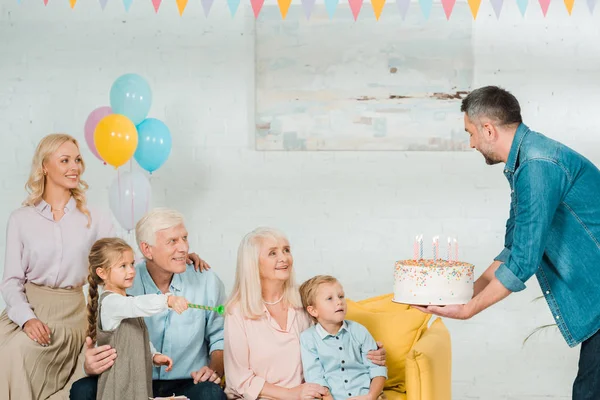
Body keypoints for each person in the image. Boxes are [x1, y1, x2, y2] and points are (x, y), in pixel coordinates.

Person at [412, 86, 600, 400]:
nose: (471, 143)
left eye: (470, 133)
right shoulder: (526, 163)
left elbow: (524, 261)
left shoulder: (537, 165)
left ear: (488, 129)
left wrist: (470, 308)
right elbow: (514, 247)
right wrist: (463, 293)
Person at [0, 133, 113, 399]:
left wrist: (175, 257)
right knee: (9, 353)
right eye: (64, 160)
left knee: (15, 354)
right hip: (25, 314)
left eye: (77, 160)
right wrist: (27, 318)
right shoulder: (20, 219)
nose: (74, 167)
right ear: (44, 167)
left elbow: (121, 260)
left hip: (71, 319)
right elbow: (11, 281)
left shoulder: (96, 218)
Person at [71, 208, 227, 400]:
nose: (184, 248)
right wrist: (91, 365)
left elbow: (220, 337)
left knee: (211, 394)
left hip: (188, 382)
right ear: (147, 249)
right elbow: (116, 334)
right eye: (172, 241)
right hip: (131, 382)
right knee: (82, 390)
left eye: (184, 238)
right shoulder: (123, 283)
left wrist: (213, 370)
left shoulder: (207, 281)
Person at [224, 227, 386, 400]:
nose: (284, 258)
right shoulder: (237, 311)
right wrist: (290, 394)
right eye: (273, 253)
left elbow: (332, 341)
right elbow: (238, 379)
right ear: (253, 263)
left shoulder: (303, 300)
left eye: (286, 250)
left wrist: (370, 354)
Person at [86, 237, 190, 399]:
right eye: (123, 266)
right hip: (118, 387)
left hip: (135, 384)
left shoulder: (126, 302)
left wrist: (153, 355)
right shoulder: (111, 303)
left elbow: (137, 337)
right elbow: (137, 304)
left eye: (132, 264)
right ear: (102, 273)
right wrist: (167, 299)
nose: (131, 271)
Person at [299, 275, 387, 400]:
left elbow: (377, 369)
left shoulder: (359, 331)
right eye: (330, 298)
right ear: (313, 311)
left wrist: (371, 396)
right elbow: (315, 376)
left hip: (366, 395)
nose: (339, 301)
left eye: (341, 296)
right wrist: (328, 397)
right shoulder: (308, 338)